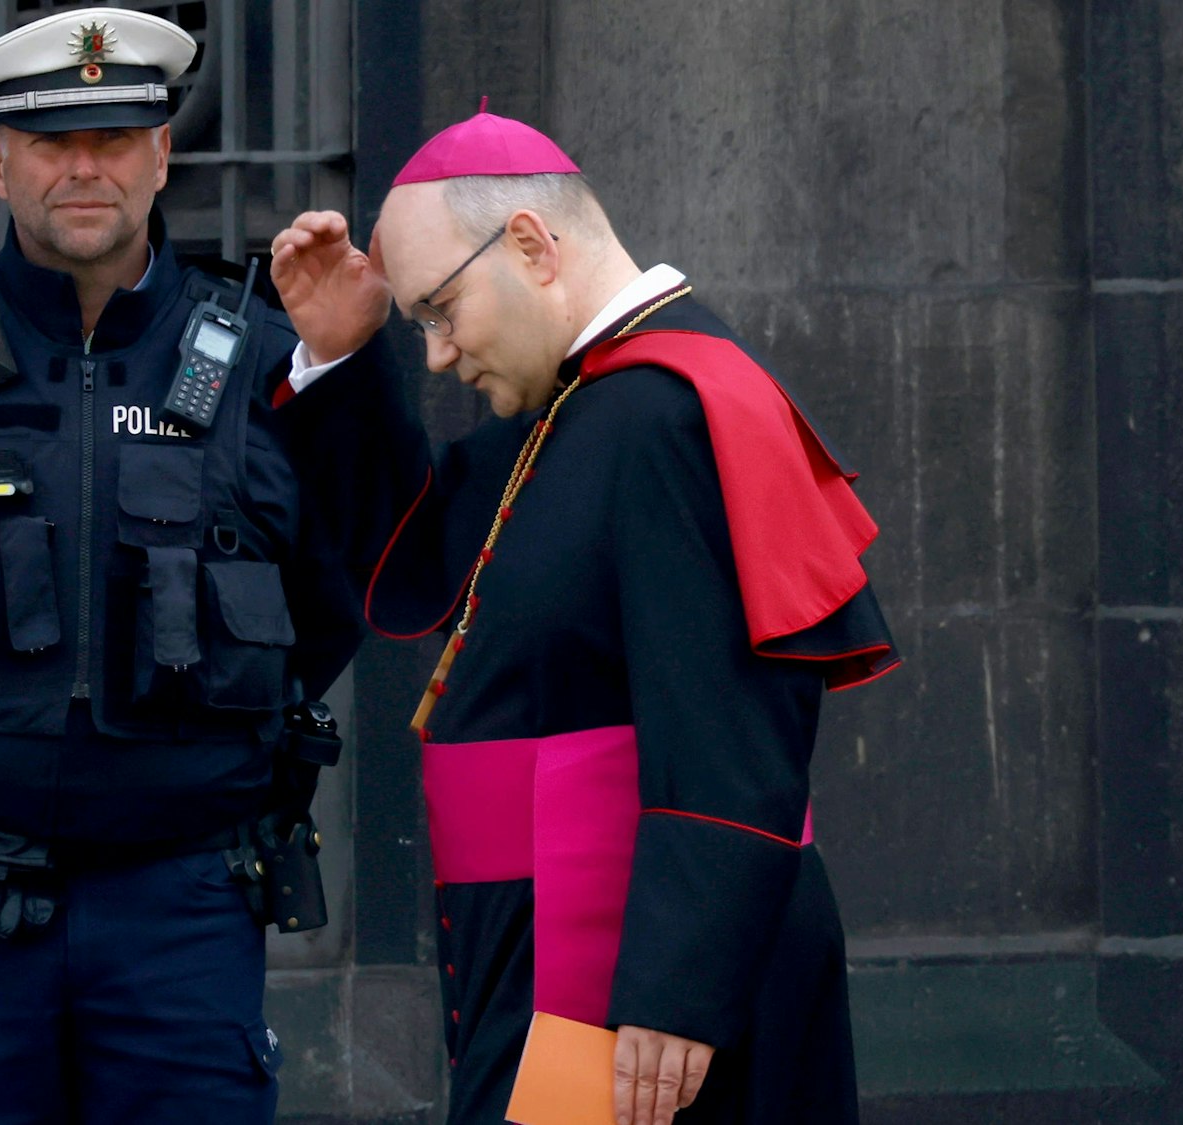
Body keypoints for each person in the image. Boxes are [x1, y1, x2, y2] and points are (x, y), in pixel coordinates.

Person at [0, 8, 387, 1122]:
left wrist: (344, 363)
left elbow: (341, 586)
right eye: (53, 143)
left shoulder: (259, 359)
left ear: (161, 155)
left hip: (187, 902)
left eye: (113, 138)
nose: (85, 168)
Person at [268, 106, 902, 1124]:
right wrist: (341, 363)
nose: (435, 356)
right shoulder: (579, 401)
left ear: (528, 243)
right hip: (563, 945)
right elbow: (422, 560)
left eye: (438, 311)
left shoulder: (670, 405)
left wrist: (675, 987)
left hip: (631, 975)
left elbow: (733, 723)